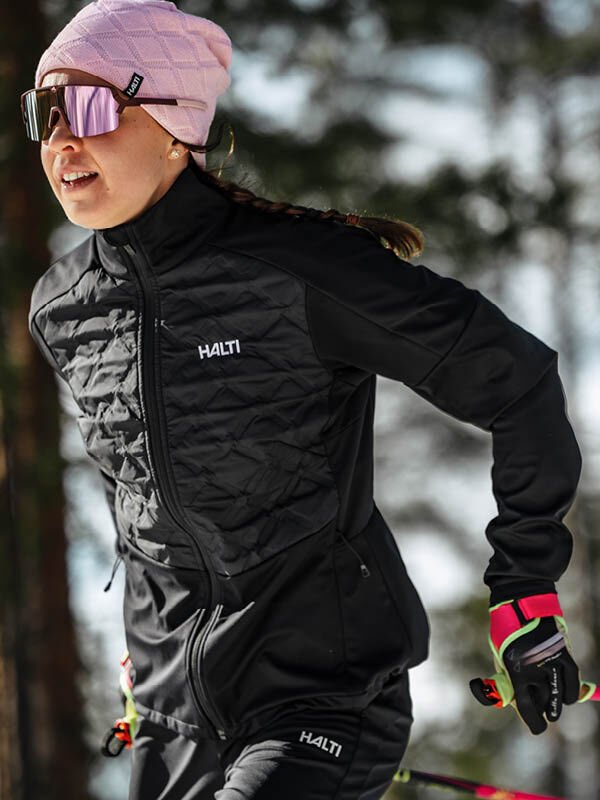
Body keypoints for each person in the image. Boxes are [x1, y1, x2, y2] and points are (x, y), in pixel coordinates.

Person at [23, 0, 588, 797]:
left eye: (83, 106)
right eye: (42, 113)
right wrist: (145, 656)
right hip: (172, 720)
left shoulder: (301, 269)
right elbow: (139, 500)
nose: (59, 141)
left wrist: (524, 587)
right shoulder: (63, 306)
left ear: (173, 121)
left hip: (320, 697)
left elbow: (517, 380)